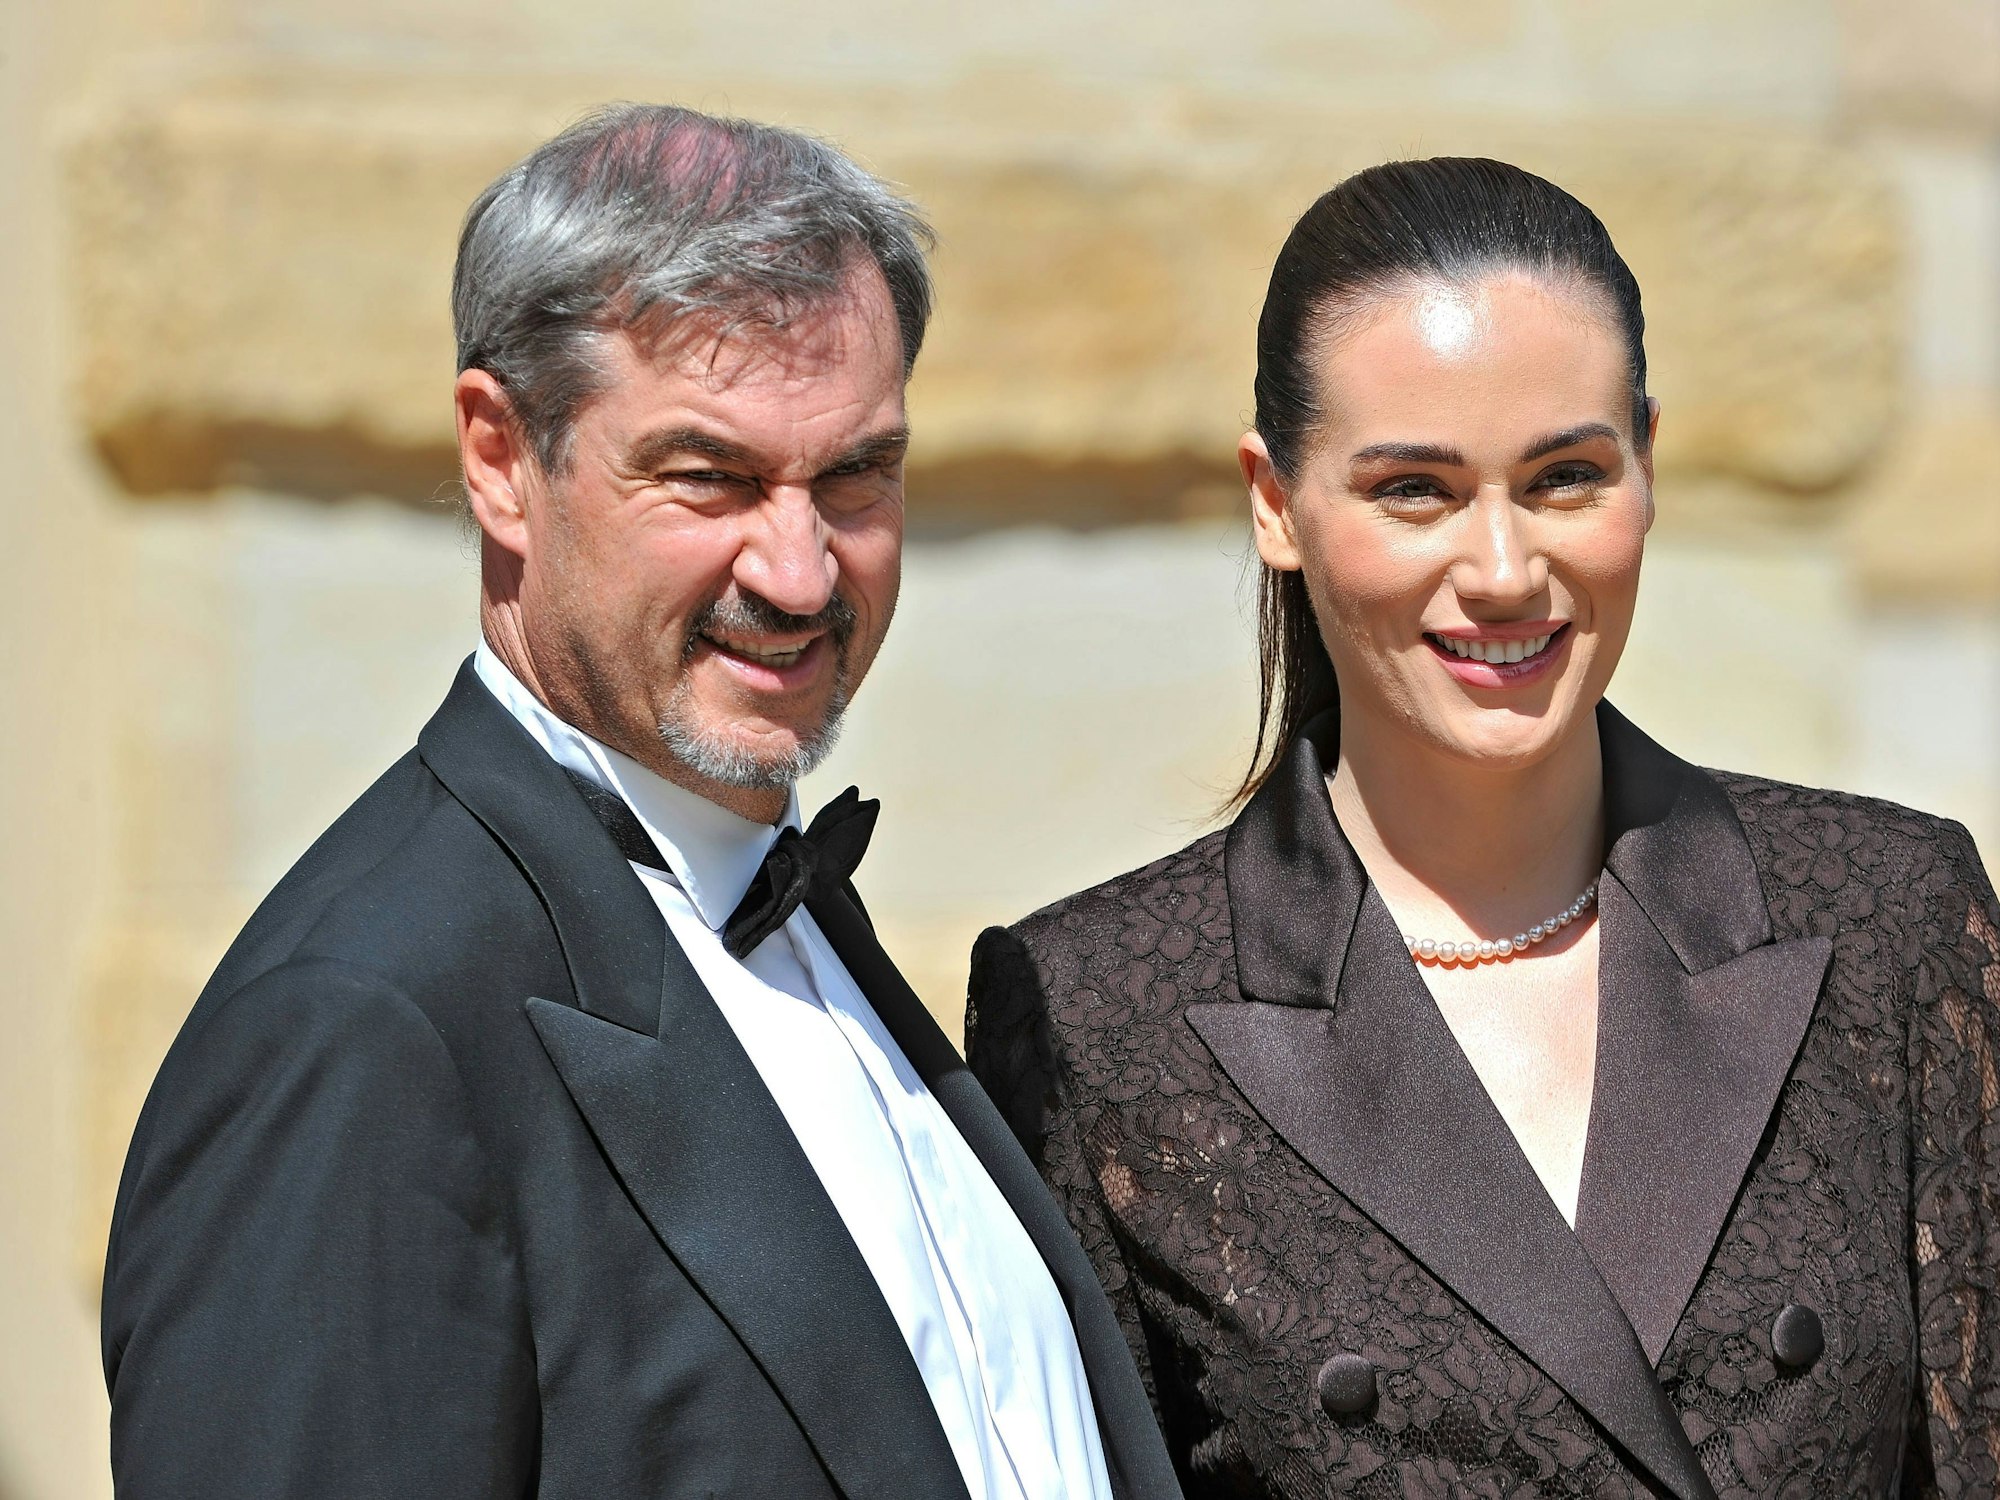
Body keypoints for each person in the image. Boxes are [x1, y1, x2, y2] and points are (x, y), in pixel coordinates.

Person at [101, 104, 1179, 1500]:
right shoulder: (354, 1030)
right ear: (500, 459)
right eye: (709, 478)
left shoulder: (793, 914)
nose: (799, 572)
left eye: (856, 476)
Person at [965, 157, 2000, 1499]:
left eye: (1567, 476)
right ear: (1277, 504)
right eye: (1416, 490)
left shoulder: (1889, 917)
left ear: (1647, 465)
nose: (1506, 571)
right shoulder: (1096, 1014)